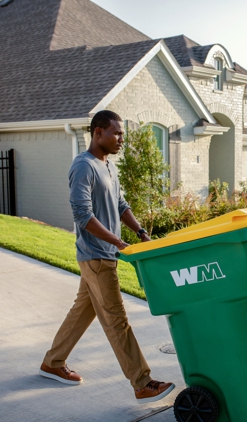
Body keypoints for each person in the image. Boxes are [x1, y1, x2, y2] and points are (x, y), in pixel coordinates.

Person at [39, 110, 174, 404]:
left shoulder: (108, 166)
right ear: (98, 132)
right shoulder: (83, 166)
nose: (121, 139)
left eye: (122, 134)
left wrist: (140, 233)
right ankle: (142, 382)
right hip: (97, 256)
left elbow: (120, 204)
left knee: (82, 312)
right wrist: (118, 242)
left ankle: (53, 361)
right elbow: (82, 214)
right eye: (117, 133)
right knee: (117, 321)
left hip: (103, 255)